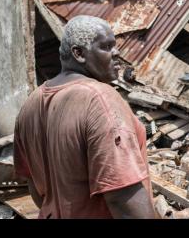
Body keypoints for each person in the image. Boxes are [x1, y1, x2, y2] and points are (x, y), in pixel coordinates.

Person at [13, 15, 156, 219]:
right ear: (79, 54)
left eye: (114, 46)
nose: (117, 53)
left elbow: (37, 191)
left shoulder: (29, 106)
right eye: (106, 47)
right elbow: (123, 199)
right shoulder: (100, 100)